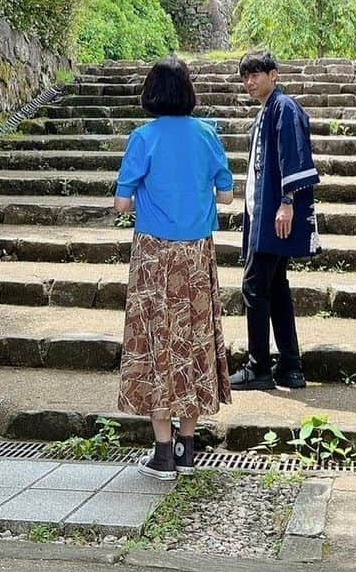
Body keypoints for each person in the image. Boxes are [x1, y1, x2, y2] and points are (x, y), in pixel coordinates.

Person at [114, 57, 234, 480]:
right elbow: (226, 196)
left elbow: (122, 203)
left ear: (151, 94)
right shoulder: (207, 135)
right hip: (197, 256)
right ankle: (188, 447)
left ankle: (162, 451)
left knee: (156, 343)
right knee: (195, 341)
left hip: (153, 256)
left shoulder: (143, 138)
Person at [230, 50, 320, 392]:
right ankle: (291, 366)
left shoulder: (283, 107)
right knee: (276, 287)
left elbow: (294, 155)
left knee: (254, 285)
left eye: (256, 74)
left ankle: (259, 367)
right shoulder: (268, 111)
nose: (250, 82)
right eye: (246, 77)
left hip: (276, 214)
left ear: (274, 75)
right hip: (265, 213)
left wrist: (286, 202)